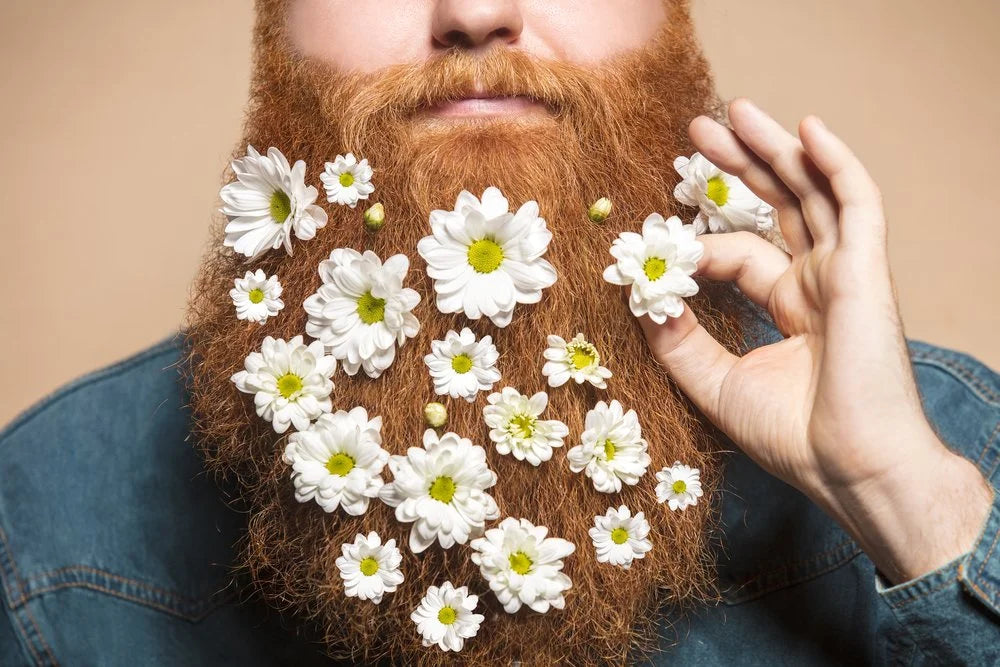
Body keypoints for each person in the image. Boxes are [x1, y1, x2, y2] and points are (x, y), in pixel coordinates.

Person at [1, 0, 997, 664]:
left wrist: (900, 499)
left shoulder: (950, 460)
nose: (473, 13)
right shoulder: (47, 532)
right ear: (276, 25)